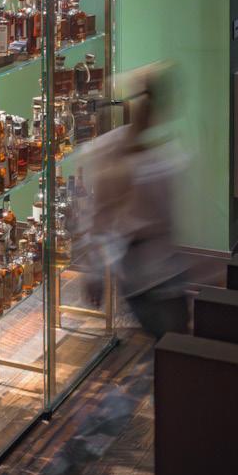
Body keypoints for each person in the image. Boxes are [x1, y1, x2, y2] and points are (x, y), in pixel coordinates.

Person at [81, 61, 194, 337]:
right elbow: (101, 217)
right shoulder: (123, 152)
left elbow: (100, 218)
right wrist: (95, 270)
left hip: (158, 270)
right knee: (173, 343)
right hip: (144, 272)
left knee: (172, 344)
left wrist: (96, 269)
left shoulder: (161, 153)